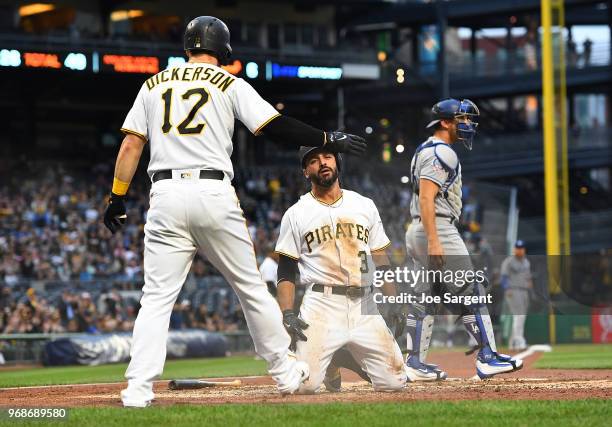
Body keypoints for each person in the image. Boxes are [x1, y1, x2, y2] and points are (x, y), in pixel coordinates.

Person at [102, 16, 367, 407]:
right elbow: (274, 126)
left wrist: (117, 197)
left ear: (187, 48)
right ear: (223, 50)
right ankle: (285, 372)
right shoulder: (230, 83)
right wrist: (327, 139)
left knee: (156, 298)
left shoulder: (153, 84)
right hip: (212, 192)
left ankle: (138, 389)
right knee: (249, 287)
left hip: (165, 194)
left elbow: (130, 147)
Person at [404, 98, 523, 380]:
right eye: (463, 119)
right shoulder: (442, 151)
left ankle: (415, 363)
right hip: (437, 228)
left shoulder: (425, 149)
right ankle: (488, 357)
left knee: (426, 297)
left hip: (420, 228)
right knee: (472, 290)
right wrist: (435, 241)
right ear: (445, 122)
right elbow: (426, 198)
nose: (468, 125)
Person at [274, 146, 407, 393]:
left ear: (337, 163)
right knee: (305, 387)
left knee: (395, 382)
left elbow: (381, 258)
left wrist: (394, 302)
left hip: (365, 303)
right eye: (313, 161)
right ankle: (328, 360)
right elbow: (286, 269)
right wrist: (287, 313)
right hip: (322, 305)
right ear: (306, 171)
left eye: (328, 157)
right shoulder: (296, 213)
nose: (322, 163)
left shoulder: (363, 204)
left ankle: (337, 355)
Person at [501, 240, 533, 351]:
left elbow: (528, 278)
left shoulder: (526, 262)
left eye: (522, 248)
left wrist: (529, 284)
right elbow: (504, 277)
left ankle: (513, 343)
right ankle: (519, 341)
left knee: (521, 317)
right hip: (513, 290)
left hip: (524, 291)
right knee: (519, 316)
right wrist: (507, 289)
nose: (520, 250)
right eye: (518, 248)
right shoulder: (508, 261)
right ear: (514, 249)